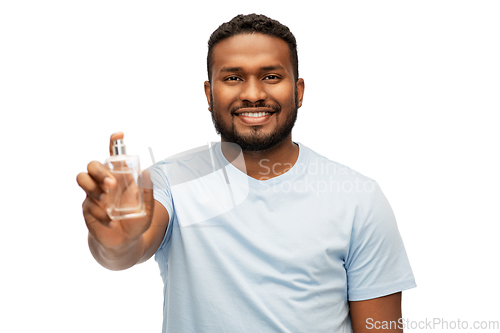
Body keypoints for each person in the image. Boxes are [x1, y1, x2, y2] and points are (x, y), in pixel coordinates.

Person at [77, 14, 416, 333]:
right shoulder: (169, 182)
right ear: (210, 95)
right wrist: (115, 241)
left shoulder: (358, 198)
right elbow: (128, 248)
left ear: (298, 91)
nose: (253, 94)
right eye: (233, 78)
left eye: (271, 76)